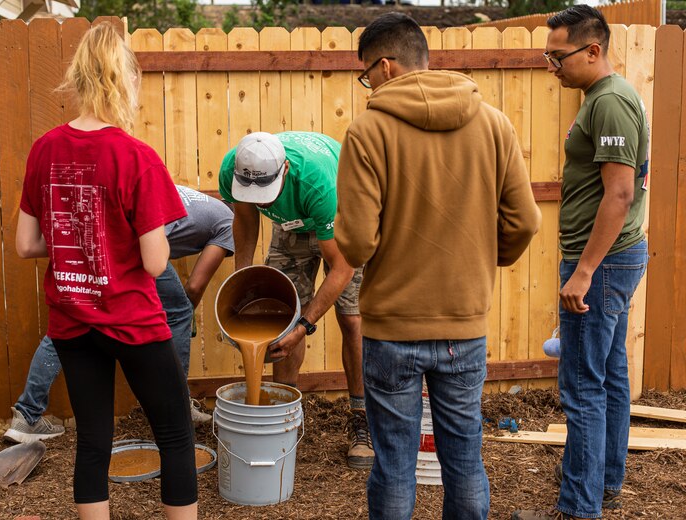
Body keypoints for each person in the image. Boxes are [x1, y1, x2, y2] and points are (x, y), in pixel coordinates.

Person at [335, 13, 540, 520]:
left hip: (391, 329)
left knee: (395, 465)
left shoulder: (367, 131)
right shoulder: (493, 123)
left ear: (384, 66)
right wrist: (484, 261)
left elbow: (357, 242)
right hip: (463, 324)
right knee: (464, 459)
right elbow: (526, 221)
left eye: (365, 74)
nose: (367, 83)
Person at [15, 23, 198, 519]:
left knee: (93, 443)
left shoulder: (44, 149)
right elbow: (156, 261)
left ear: (77, 78)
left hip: (73, 323)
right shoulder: (137, 156)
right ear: (126, 81)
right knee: (176, 437)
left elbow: (26, 243)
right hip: (133, 322)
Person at [512, 6, 650, 520]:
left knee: (582, 387)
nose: (552, 65)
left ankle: (577, 507)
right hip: (614, 259)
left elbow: (618, 193)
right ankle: (604, 481)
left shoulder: (610, 101)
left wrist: (584, 271)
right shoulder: (603, 97)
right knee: (610, 375)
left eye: (558, 55)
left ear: (592, 50)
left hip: (603, 264)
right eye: (547, 55)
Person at [5, 184, 235, 443]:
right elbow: (195, 285)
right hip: (128, 241)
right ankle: (178, 409)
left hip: (96, 231)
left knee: (70, 320)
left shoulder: (197, 200)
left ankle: (27, 416)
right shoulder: (230, 222)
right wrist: (184, 316)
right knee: (180, 311)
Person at [218, 131, 373, 469]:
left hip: (341, 215)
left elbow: (342, 269)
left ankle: (362, 420)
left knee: (351, 317)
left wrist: (304, 326)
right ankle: (284, 415)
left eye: (265, 194)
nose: (260, 202)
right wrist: (243, 279)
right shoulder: (233, 167)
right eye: (253, 194)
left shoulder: (318, 183)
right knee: (281, 315)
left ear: (284, 170)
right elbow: (244, 220)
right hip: (292, 224)